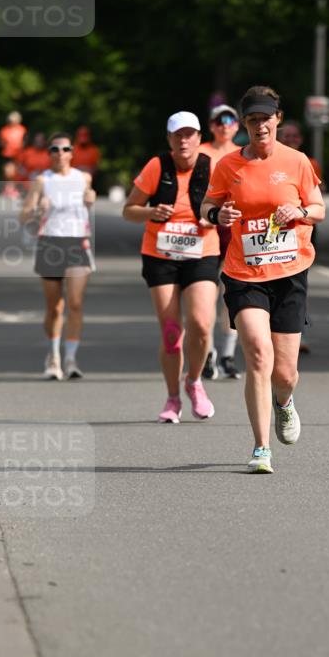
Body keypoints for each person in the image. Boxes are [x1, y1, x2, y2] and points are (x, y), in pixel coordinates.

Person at [202, 86, 325, 473]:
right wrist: (215, 216)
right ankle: (260, 448)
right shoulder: (228, 167)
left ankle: (284, 402)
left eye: (265, 119)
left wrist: (300, 210)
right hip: (244, 273)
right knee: (257, 352)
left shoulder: (297, 161)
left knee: (285, 373)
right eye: (252, 120)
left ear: (278, 119)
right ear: (245, 125)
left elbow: (319, 208)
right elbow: (208, 203)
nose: (260, 126)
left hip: (289, 273)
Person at [122, 111, 218, 423]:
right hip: (160, 254)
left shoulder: (211, 166)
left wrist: (211, 217)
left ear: (199, 138)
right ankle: (172, 398)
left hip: (201, 251)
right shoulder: (157, 166)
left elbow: (230, 205)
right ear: (169, 139)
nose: (184, 140)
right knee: (171, 332)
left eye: (189, 134)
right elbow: (129, 210)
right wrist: (150, 211)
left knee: (202, 325)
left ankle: (194, 381)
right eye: (178, 134)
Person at [21, 133, 96, 380]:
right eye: (55, 149)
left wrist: (91, 197)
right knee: (54, 307)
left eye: (65, 149)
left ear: (72, 153)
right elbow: (23, 217)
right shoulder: (42, 181)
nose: (60, 153)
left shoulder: (83, 177)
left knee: (75, 303)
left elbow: (90, 197)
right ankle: (53, 356)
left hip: (76, 242)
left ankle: (71, 358)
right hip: (50, 243)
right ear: (49, 153)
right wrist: (36, 209)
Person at [199, 104, 242, 380]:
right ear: (212, 125)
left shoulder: (243, 154)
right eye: (218, 120)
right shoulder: (201, 152)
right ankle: (208, 352)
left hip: (236, 228)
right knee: (206, 295)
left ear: (237, 126)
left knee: (231, 293)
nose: (224, 125)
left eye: (229, 120)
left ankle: (227, 354)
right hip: (206, 226)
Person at [277, 119, 324, 355]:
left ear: (301, 140)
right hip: (272, 231)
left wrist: (299, 211)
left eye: (295, 136)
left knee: (297, 283)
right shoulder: (268, 161)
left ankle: (296, 334)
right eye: (286, 136)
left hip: (302, 229)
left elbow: (316, 199)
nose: (290, 139)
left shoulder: (309, 163)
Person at [0, 111, 26, 198]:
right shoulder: (4, 130)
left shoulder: (22, 130)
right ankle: (8, 188)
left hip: (19, 154)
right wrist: (2, 144)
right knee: (8, 172)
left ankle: (16, 189)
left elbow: (25, 142)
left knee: (17, 173)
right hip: (7, 154)